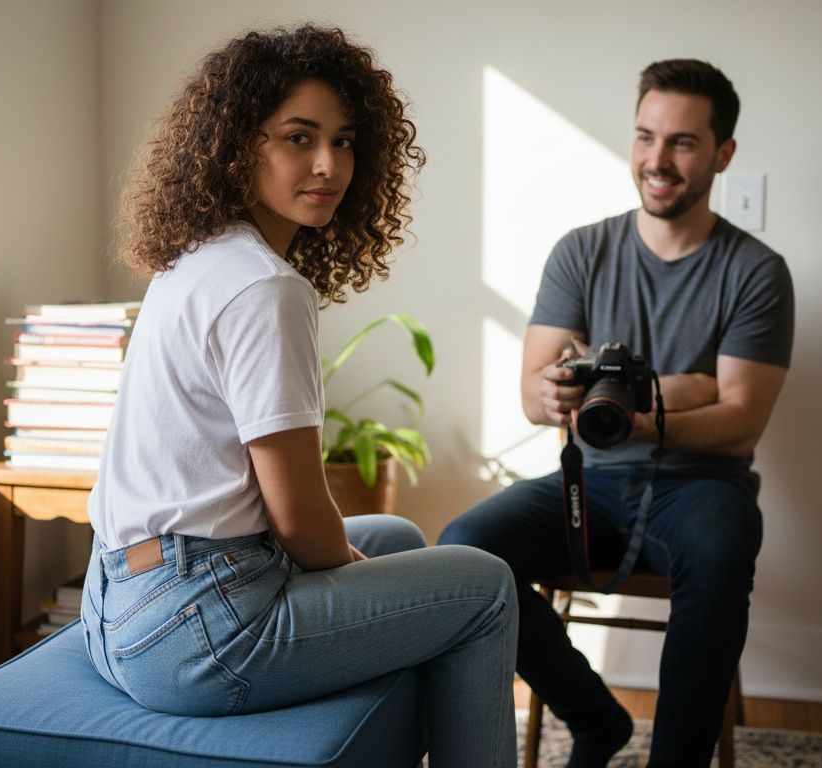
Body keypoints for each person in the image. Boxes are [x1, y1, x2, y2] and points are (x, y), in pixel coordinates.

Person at [81, 26, 517, 767]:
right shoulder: (264, 287)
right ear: (238, 145)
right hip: (199, 632)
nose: (328, 165)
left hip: (116, 608)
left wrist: (359, 566)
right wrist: (346, 566)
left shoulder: (195, 258)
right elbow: (299, 516)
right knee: (486, 584)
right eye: (298, 137)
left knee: (398, 541)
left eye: (344, 142)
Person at [439, 59, 795, 768]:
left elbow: (741, 422)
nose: (656, 161)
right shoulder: (582, 251)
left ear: (723, 154)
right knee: (464, 548)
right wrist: (564, 395)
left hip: (704, 488)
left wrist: (639, 415)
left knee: (721, 553)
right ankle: (596, 718)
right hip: (589, 483)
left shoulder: (755, 271)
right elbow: (533, 392)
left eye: (683, 143)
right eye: (645, 136)